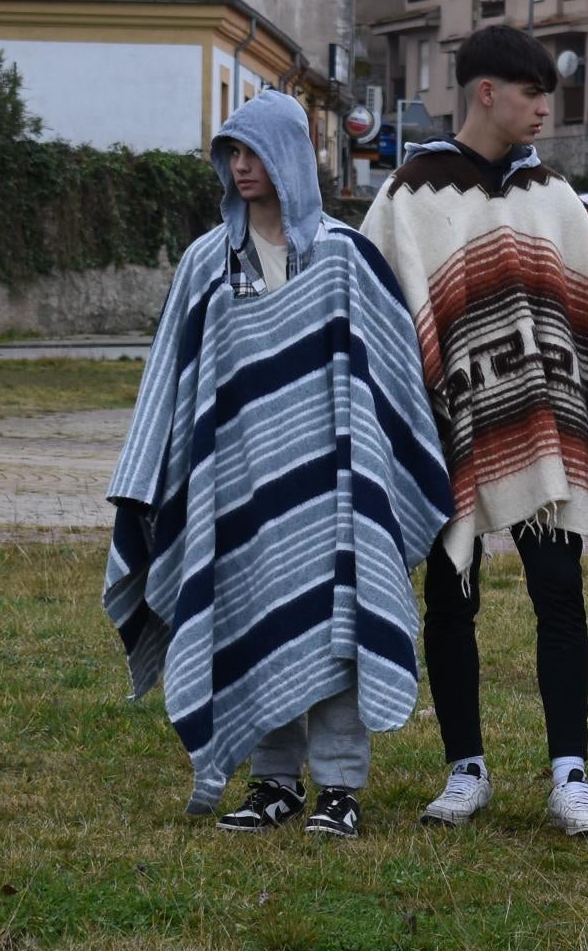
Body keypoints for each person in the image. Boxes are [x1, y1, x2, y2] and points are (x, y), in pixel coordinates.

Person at [106, 91, 453, 840]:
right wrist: (146, 482)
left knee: (336, 626)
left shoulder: (343, 257)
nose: (241, 165)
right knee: (247, 620)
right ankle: (272, 782)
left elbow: (391, 373)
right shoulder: (209, 260)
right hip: (234, 487)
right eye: (231, 152)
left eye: (255, 151)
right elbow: (173, 375)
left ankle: (339, 787)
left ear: (290, 156)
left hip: (333, 484)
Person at [361, 27, 588, 837]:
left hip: (543, 420)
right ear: (487, 93)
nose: (545, 108)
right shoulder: (410, 196)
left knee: (560, 590)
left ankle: (571, 774)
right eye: (530, 93)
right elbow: (379, 310)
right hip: (449, 419)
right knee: (452, 590)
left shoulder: (551, 195)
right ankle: (464, 767)